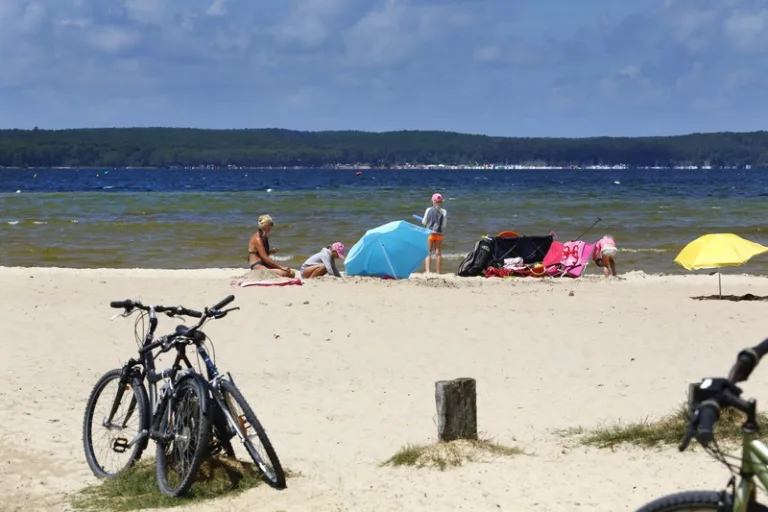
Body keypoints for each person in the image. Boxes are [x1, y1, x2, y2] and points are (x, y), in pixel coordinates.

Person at [422, 192, 447, 274]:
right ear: (441, 202)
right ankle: (438, 272)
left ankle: (428, 271)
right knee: (438, 253)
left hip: (430, 234)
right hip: (439, 234)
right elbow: (444, 225)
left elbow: (424, 222)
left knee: (428, 252)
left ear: (432, 201)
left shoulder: (428, 210)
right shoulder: (444, 212)